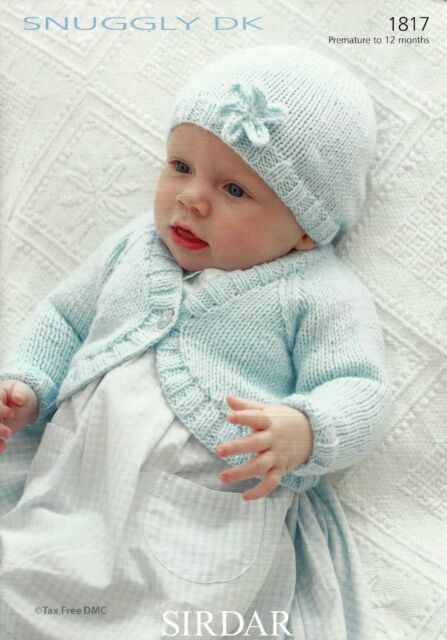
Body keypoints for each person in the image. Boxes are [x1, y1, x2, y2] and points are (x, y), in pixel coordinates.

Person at [0, 46, 389, 639]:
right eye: (181, 166)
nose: (190, 198)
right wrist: (27, 383)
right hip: (78, 488)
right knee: (26, 583)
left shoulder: (318, 292)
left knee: (177, 622)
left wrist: (307, 429)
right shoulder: (134, 246)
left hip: (204, 509)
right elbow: (65, 317)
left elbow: (360, 388)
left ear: (307, 226)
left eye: (234, 190)